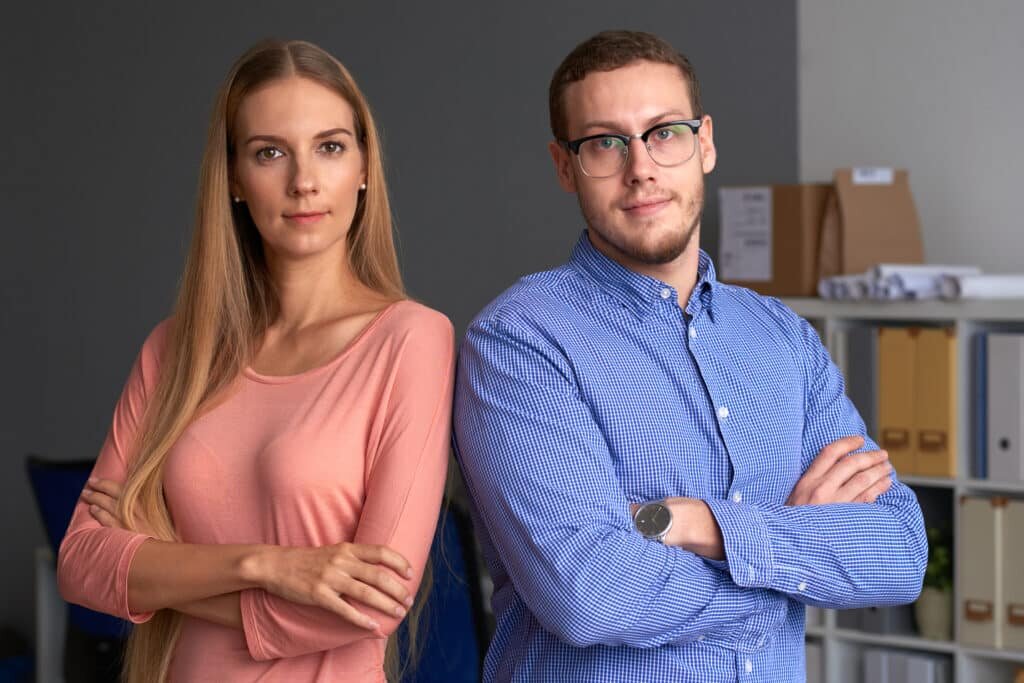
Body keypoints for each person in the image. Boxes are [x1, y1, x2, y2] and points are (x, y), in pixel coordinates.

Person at [452, 30, 927, 682]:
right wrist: (790, 555)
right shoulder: (520, 343)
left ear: (704, 142)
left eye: (664, 133)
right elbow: (589, 596)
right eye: (604, 142)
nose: (640, 166)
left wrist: (694, 522)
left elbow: (899, 553)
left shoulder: (781, 337)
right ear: (565, 166)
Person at [57, 39, 454, 683]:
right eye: (270, 152)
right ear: (235, 178)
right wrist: (266, 565)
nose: (303, 181)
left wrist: (159, 571)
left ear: (362, 166)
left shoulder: (411, 339)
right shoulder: (174, 351)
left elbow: (369, 602)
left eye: (330, 147)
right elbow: (80, 563)